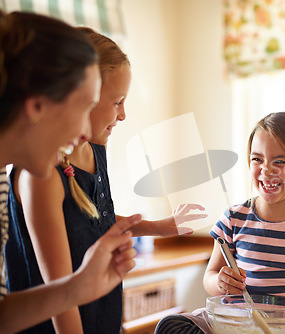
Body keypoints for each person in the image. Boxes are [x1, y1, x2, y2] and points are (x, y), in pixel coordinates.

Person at [6, 26, 207, 334]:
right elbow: (61, 294)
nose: (123, 115)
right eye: (116, 102)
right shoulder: (39, 174)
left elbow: (93, 220)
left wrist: (157, 227)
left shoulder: (96, 148)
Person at [155, 111, 285, 334]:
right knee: (170, 325)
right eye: (257, 159)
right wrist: (220, 283)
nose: (266, 170)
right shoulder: (233, 218)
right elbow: (210, 277)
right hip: (235, 323)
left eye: (280, 161)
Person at [0, 10, 141, 334]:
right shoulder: (39, 178)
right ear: (37, 106)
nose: (83, 132)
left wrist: (74, 290)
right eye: (83, 107)